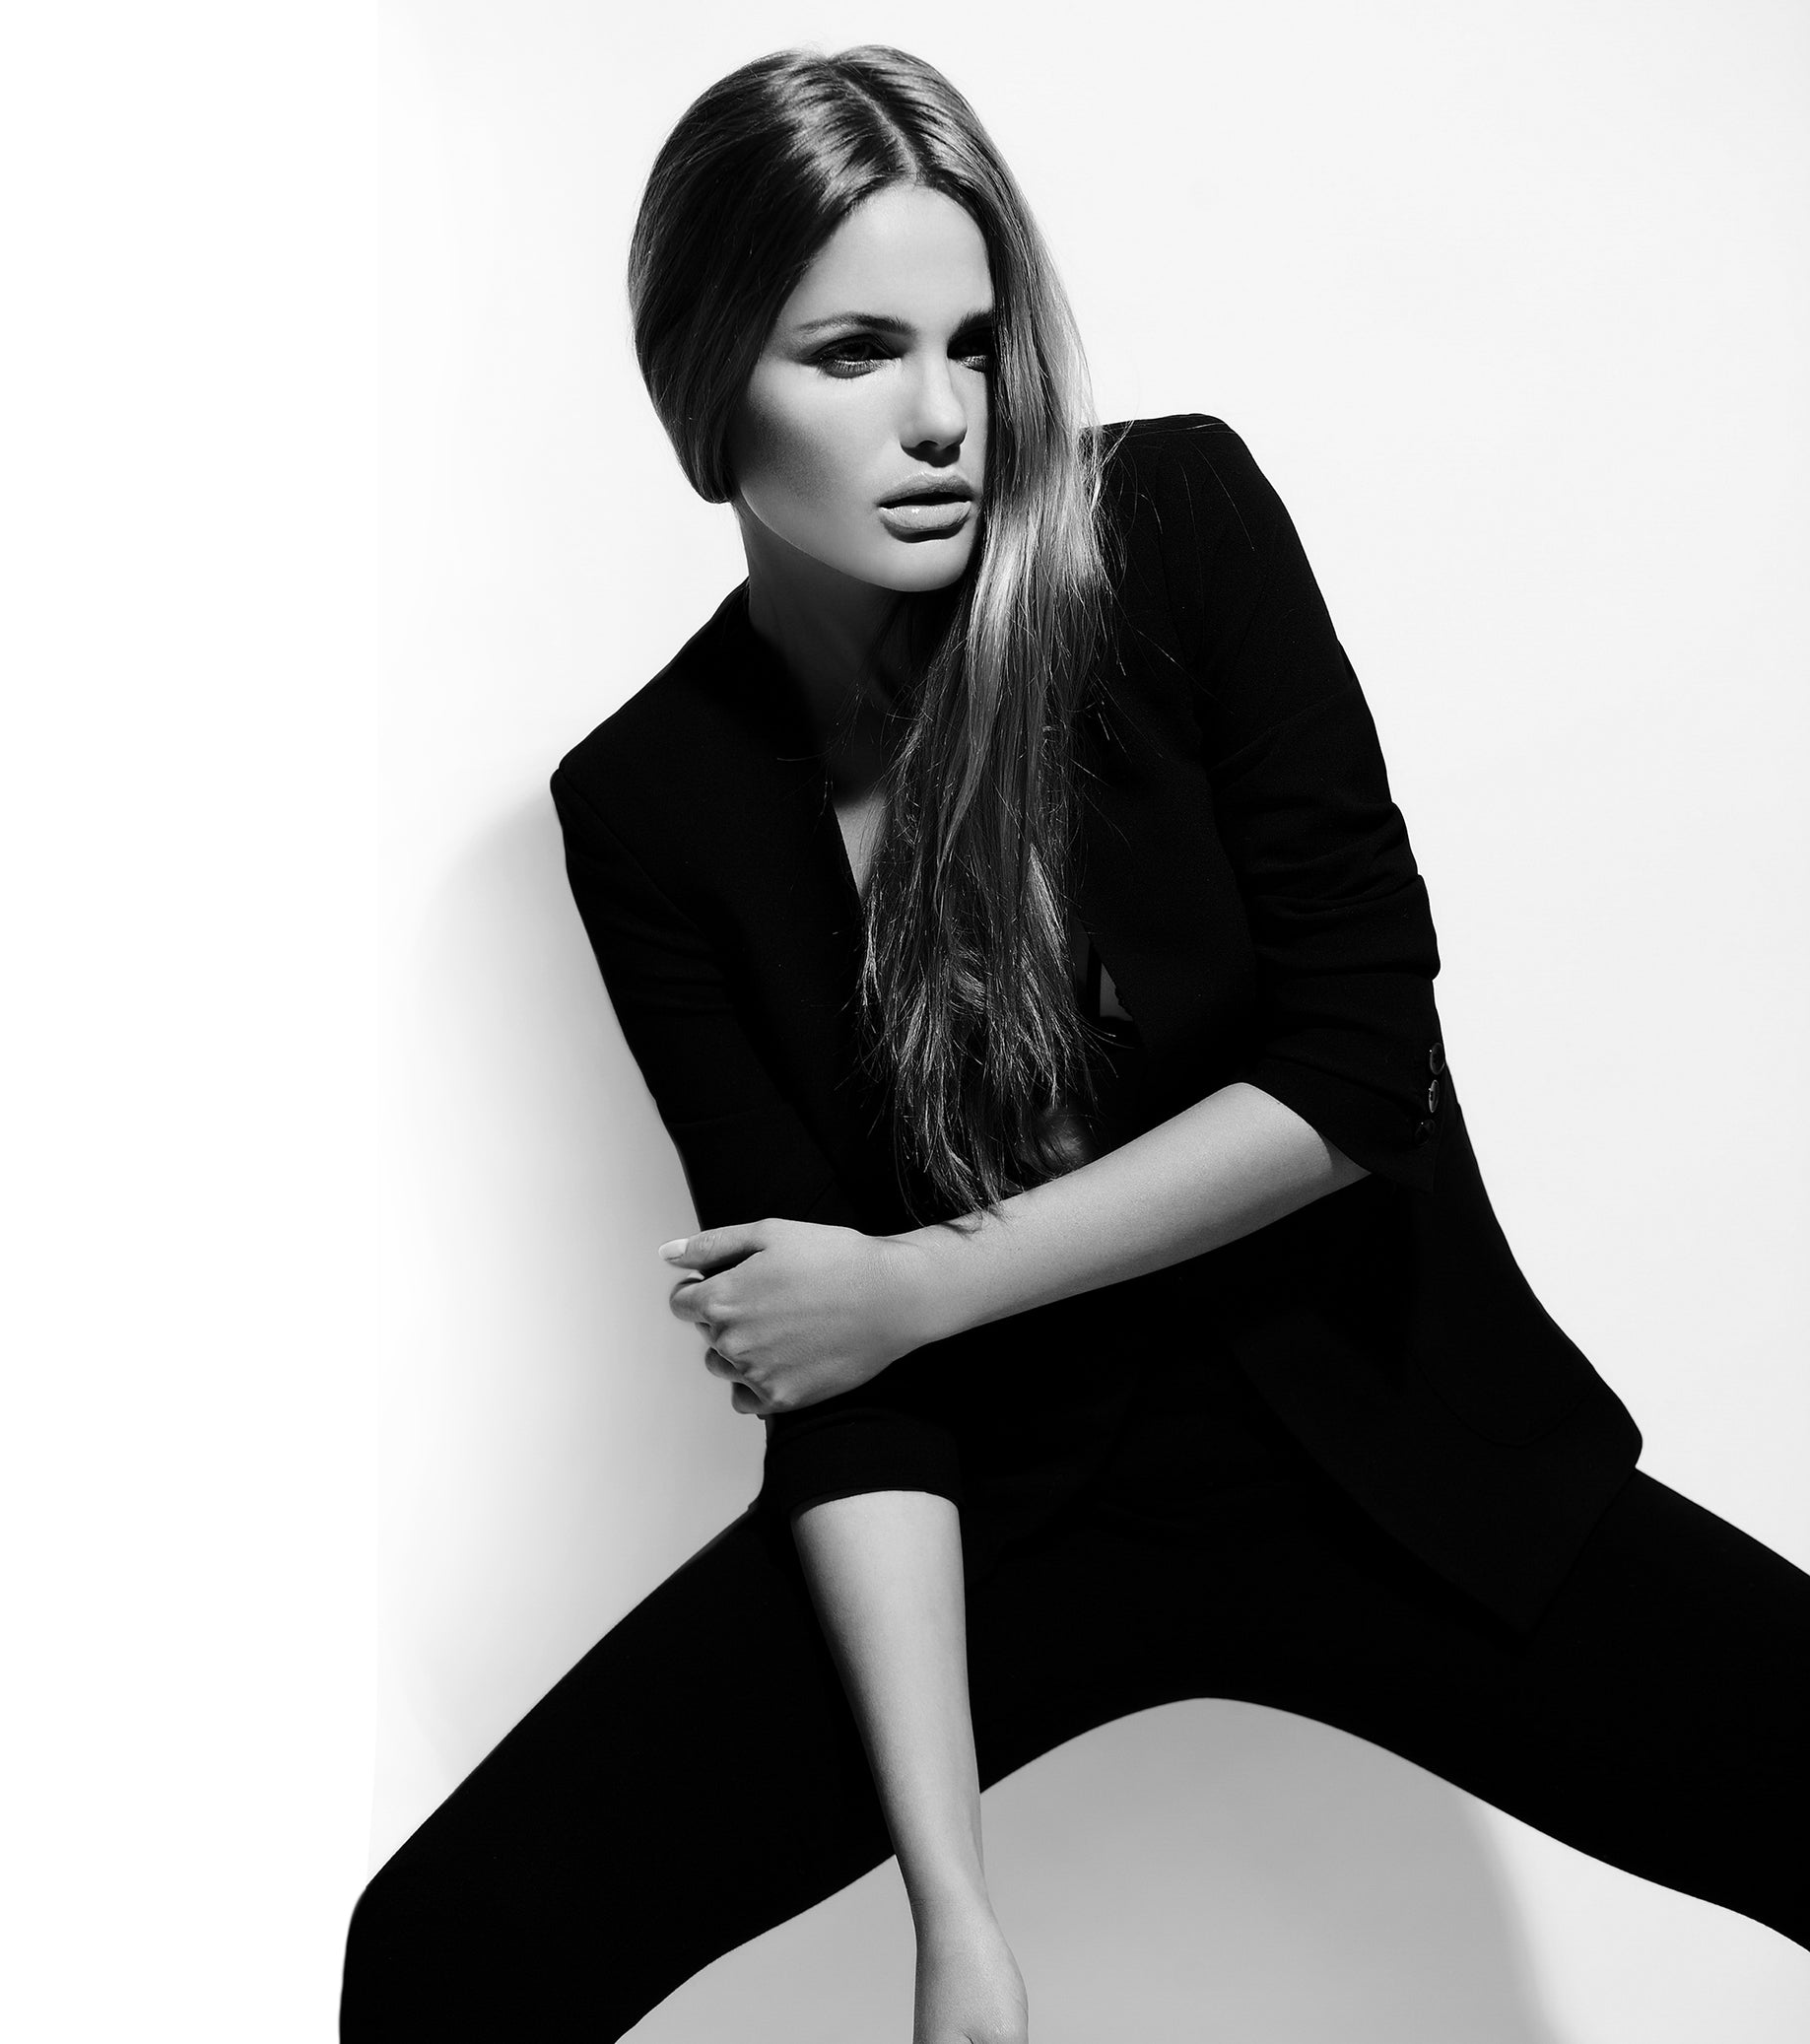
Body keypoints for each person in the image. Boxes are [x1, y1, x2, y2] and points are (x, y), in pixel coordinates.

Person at [340, 43, 1810, 2044]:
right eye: (854, 351)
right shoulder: (652, 802)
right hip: (1004, 1517)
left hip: (1389, 1463)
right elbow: (841, 1387)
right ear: (706, 386)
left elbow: (1355, 1066)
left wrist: (915, 1283)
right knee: (445, 1949)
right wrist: (953, 1909)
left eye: (973, 342)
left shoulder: (1170, 530)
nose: (944, 416)